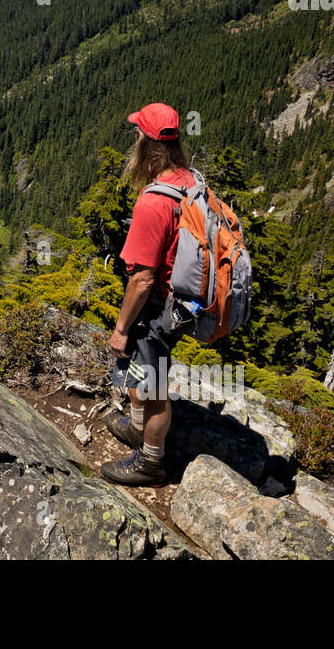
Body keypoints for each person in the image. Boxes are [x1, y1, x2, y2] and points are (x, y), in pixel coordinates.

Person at [101, 102, 194, 487]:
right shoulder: (188, 181)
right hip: (179, 300)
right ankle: (137, 426)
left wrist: (121, 328)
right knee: (142, 372)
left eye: (137, 134)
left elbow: (141, 278)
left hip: (158, 304)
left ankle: (152, 462)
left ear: (148, 144)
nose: (133, 139)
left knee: (153, 387)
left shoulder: (154, 202)